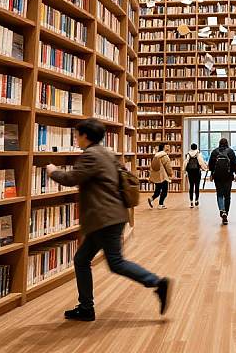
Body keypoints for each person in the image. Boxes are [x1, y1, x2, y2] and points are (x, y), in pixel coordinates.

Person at [46, 118, 172, 321]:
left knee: (116, 262)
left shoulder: (91, 155)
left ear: (85, 136)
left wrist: (53, 171)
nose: (76, 139)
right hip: (111, 215)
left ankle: (156, 282)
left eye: (77, 135)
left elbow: (71, 179)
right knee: (81, 259)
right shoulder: (107, 153)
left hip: (104, 217)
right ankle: (86, 307)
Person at [208, 138, 236, 225]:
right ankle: (226, 213)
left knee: (219, 194)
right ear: (227, 143)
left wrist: (211, 174)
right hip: (228, 176)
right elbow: (235, 163)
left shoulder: (215, 152)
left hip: (217, 176)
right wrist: (234, 173)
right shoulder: (230, 151)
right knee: (227, 195)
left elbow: (211, 164)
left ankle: (222, 210)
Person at [148, 143, 173, 209]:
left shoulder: (156, 156)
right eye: (166, 147)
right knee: (165, 191)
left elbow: (152, 167)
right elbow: (168, 167)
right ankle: (160, 204)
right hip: (163, 176)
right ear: (163, 148)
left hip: (156, 176)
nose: (168, 148)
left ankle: (151, 198)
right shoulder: (165, 156)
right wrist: (170, 174)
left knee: (158, 190)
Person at [182, 143, 208, 208]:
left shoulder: (188, 154)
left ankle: (191, 201)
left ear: (191, 147)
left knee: (191, 186)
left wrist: (184, 170)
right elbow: (201, 162)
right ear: (196, 147)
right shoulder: (198, 154)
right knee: (197, 186)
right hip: (197, 172)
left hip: (190, 172)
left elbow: (185, 162)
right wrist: (205, 168)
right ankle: (196, 200)